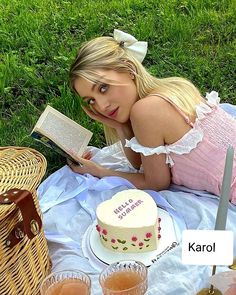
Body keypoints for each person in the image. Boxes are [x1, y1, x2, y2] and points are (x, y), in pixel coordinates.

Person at [68, 29, 236, 204]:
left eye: (103, 88)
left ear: (129, 69)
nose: (101, 106)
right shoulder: (171, 87)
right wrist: (119, 126)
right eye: (91, 100)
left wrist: (99, 171)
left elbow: (155, 183)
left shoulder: (146, 111)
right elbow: (140, 165)